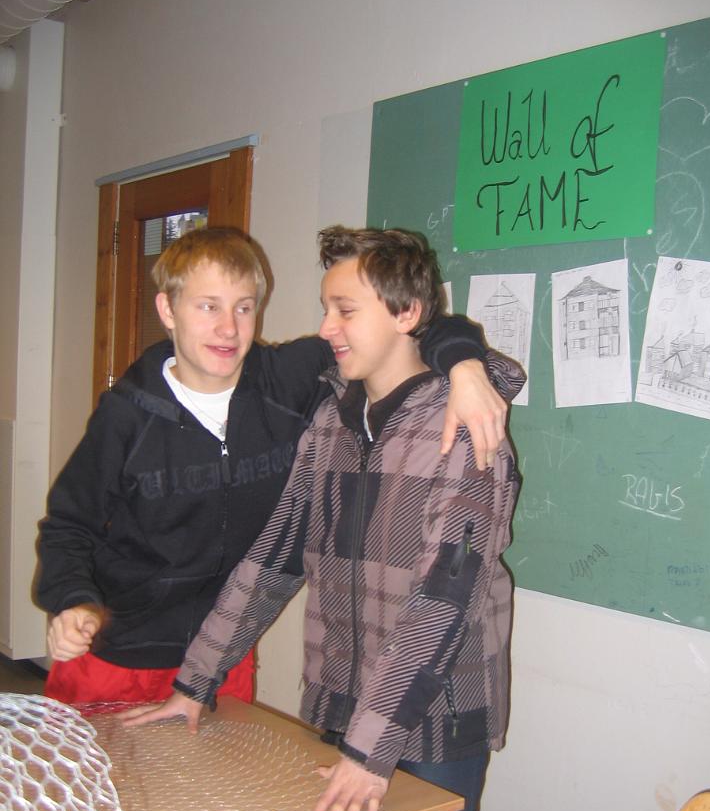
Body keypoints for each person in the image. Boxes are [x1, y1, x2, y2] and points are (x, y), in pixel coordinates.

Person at [122, 226, 524, 811]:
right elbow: (275, 557)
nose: (326, 328)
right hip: (342, 708)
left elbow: (444, 600)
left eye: (344, 310)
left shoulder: (466, 428)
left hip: (433, 722)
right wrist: (195, 682)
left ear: (407, 314)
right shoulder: (331, 420)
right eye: (325, 308)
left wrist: (369, 750)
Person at [36, 226, 509, 708]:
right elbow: (68, 525)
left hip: (220, 656)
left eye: (243, 308)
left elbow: (405, 326)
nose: (229, 328)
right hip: (117, 652)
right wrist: (73, 600)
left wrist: (465, 367)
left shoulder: (287, 380)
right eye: (208, 306)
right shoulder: (126, 414)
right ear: (167, 310)